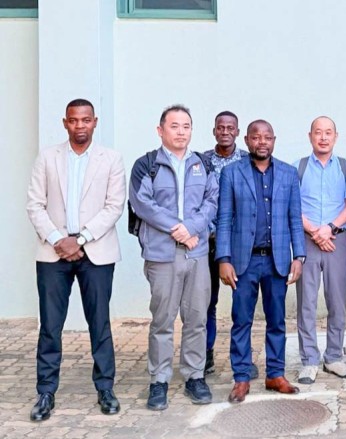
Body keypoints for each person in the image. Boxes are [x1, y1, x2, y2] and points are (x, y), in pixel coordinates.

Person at [26, 98, 126, 421]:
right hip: (53, 253)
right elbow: (34, 205)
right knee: (50, 326)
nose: (79, 126)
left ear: (95, 122)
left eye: (85, 120)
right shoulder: (47, 158)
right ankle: (45, 392)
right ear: (64, 123)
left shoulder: (111, 159)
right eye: (73, 120)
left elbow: (114, 206)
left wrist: (80, 239)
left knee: (99, 324)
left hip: (95, 252)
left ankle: (105, 388)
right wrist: (59, 240)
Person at [129, 104, 218, 410]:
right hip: (162, 254)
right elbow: (142, 203)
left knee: (196, 318)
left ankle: (194, 376)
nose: (181, 132)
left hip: (196, 252)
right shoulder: (147, 164)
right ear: (160, 130)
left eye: (186, 126)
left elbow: (212, 201)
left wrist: (191, 228)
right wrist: (176, 228)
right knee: (163, 320)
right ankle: (159, 380)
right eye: (175, 126)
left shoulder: (202, 164)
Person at [216, 119, 306, 403]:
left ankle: (275, 374)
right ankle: (241, 377)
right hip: (244, 262)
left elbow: (294, 218)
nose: (262, 142)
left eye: (267, 137)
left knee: (277, 320)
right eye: (256, 137)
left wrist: (299, 256)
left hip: (277, 261)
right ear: (247, 140)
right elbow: (224, 219)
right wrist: (224, 259)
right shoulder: (232, 173)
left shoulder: (289, 174)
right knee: (241, 320)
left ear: (274, 140)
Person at [293, 116, 346, 384]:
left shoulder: (345, 167)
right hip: (307, 241)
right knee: (306, 302)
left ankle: (334, 357)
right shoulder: (298, 168)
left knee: (337, 301)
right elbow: (293, 206)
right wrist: (314, 232)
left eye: (328, 132)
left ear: (335, 136)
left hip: (337, 240)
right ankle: (309, 360)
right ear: (310, 136)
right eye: (318, 132)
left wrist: (329, 228)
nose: (323, 137)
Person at [201, 111, 255, 378]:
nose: (225, 131)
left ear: (237, 132)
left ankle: (243, 357)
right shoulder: (201, 162)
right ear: (214, 131)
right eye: (220, 127)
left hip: (239, 245)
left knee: (242, 305)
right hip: (207, 243)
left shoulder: (247, 160)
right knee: (206, 303)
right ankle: (205, 354)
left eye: (230, 128)